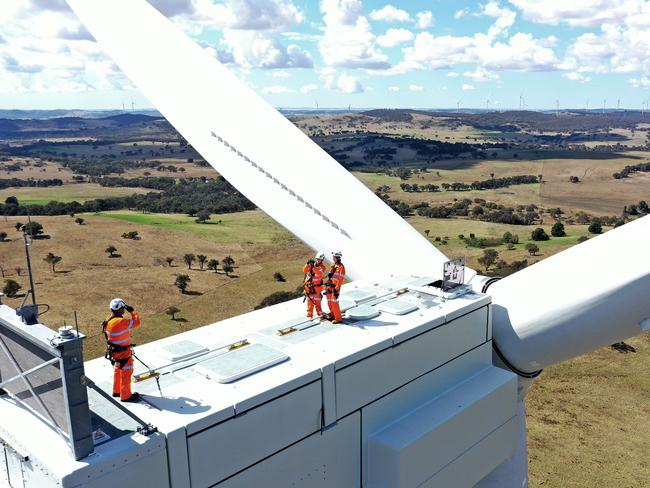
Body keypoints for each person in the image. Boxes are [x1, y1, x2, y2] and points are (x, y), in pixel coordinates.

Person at [103, 298, 141, 402]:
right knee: (126, 372)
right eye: (123, 308)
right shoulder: (121, 321)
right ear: (120, 309)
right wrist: (132, 311)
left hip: (115, 351)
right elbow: (137, 322)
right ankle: (126, 396)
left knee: (118, 369)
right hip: (123, 352)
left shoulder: (109, 320)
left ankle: (117, 391)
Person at [303, 252, 327, 319]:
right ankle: (309, 315)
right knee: (309, 301)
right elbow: (304, 270)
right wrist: (307, 264)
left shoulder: (323, 267)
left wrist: (313, 267)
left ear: (322, 260)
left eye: (319, 259)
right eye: (317, 259)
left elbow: (319, 273)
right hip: (309, 287)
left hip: (317, 288)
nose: (318, 260)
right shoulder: (311, 265)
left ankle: (319, 314)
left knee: (317, 302)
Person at [325, 251, 346, 324]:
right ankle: (332, 314)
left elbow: (341, 278)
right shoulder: (333, 265)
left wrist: (337, 287)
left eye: (334, 257)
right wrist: (327, 283)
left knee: (334, 303)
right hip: (330, 286)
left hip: (335, 288)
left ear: (337, 258)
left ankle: (338, 318)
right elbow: (330, 275)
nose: (332, 258)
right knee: (329, 301)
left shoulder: (341, 267)